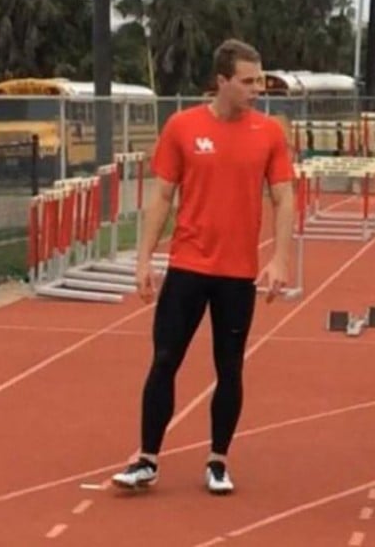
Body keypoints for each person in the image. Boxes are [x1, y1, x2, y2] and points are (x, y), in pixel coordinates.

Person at [112, 39, 295, 494]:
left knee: (229, 367)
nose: (257, 89)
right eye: (248, 81)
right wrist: (143, 260)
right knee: (165, 359)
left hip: (237, 273)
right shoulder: (182, 127)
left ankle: (218, 460)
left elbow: (284, 195)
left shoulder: (270, 132)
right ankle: (148, 459)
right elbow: (161, 197)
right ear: (222, 81)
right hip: (188, 267)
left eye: (259, 80)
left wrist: (280, 258)